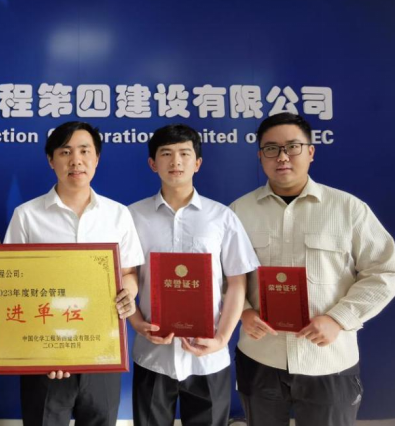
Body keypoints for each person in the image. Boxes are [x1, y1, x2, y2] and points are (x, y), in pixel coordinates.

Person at [230, 112, 395, 425]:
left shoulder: (348, 209)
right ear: (260, 156)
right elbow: (222, 275)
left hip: (328, 358)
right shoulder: (238, 211)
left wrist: (338, 318)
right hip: (261, 355)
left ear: (311, 151)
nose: (282, 157)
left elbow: (386, 271)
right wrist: (244, 312)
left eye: (293, 147)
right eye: (271, 149)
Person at [4, 121, 143, 426]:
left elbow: (129, 272)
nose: (76, 160)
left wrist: (129, 294)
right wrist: (46, 349)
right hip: (44, 353)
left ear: (97, 158)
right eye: (65, 152)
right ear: (51, 160)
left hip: (103, 348)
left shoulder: (117, 214)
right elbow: (12, 284)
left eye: (84, 151)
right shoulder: (27, 216)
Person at [127, 124, 258, 426]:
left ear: (197, 163)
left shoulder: (221, 217)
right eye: (166, 154)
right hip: (153, 353)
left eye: (185, 154)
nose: (176, 162)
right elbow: (125, 275)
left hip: (208, 356)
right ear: (152, 163)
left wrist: (222, 337)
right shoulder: (132, 216)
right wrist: (136, 323)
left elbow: (237, 282)